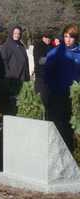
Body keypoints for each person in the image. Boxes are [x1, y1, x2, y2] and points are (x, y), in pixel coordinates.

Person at [44, 24, 80, 153]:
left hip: (75, 98)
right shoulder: (56, 53)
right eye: (65, 36)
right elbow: (47, 75)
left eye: (71, 37)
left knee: (73, 128)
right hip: (59, 96)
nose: (68, 39)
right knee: (61, 126)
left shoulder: (79, 53)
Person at [0, 25, 30, 115]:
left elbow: (25, 61)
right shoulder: (7, 45)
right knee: (12, 104)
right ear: (11, 33)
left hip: (22, 78)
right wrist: (8, 75)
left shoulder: (20, 45)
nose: (17, 35)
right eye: (15, 33)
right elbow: (4, 62)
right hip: (12, 79)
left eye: (19, 33)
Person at [33, 33, 52, 112]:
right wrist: (51, 58)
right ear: (43, 37)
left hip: (50, 78)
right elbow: (40, 60)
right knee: (41, 101)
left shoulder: (50, 47)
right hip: (41, 78)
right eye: (46, 37)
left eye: (50, 37)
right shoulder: (38, 46)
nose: (48, 39)